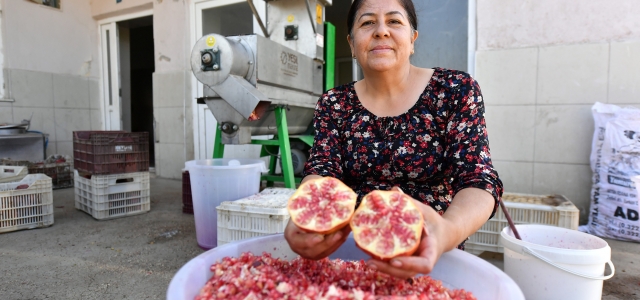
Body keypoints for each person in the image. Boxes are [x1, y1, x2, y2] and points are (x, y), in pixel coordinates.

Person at [284, 0, 503, 279]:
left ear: (413, 39)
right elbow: (321, 171)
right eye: (367, 22)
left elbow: (477, 178)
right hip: (350, 256)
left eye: (394, 21)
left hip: (433, 256)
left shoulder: (455, 91)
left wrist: (448, 231)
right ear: (351, 44)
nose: (381, 31)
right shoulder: (334, 103)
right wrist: (305, 214)